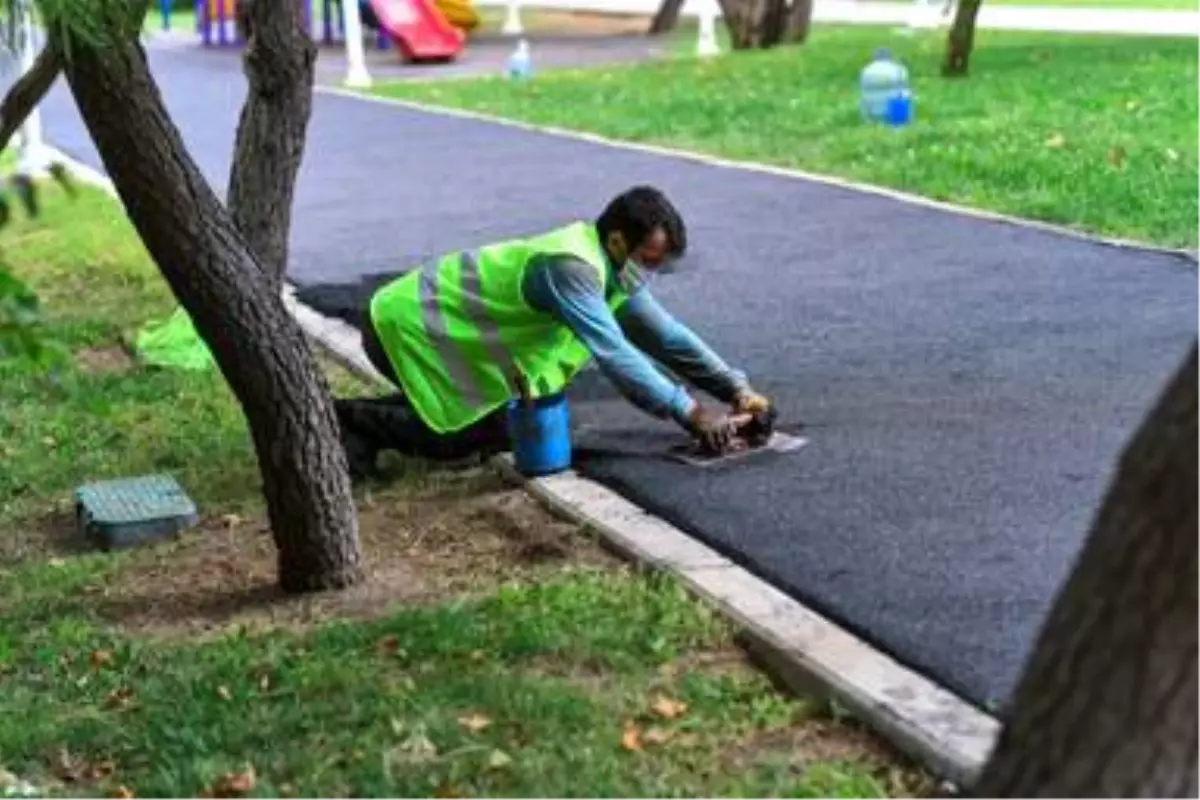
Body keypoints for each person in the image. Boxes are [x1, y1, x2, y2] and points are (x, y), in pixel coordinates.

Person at [334, 185, 772, 479]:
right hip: (408, 325)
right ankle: (349, 420)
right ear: (618, 241)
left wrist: (737, 390)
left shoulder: (616, 270)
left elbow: (666, 337)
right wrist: (693, 414)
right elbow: (615, 353)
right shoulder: (571, 267)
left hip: (451, 333)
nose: (654, 271)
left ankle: (365, 421)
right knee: (470, 438)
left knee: (497, 426)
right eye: (650, 259)